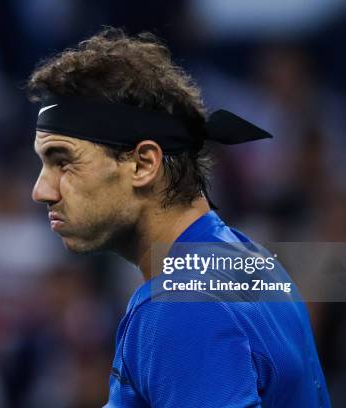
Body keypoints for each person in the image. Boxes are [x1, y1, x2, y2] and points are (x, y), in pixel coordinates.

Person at [27, 27, 330, 407]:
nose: (42, 191)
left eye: (63, 162)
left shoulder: (180, 305)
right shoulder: (251, 262)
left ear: (143, 164)